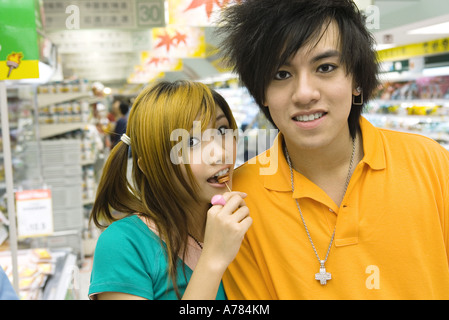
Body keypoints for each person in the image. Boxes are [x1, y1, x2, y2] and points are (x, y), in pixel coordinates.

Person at [217, 0, 449, 299]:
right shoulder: (239, 199)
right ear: (261, 92)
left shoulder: (430, 163)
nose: (304, 94)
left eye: (325, 67)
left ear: (356, 80)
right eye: (281, 74)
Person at [88, 80, 252, 300]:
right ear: (150, 166)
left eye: (222, 130)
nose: (220, 153)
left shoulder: (247, 220)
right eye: (192, 141)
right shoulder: (124, 244)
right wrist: (213, 259)